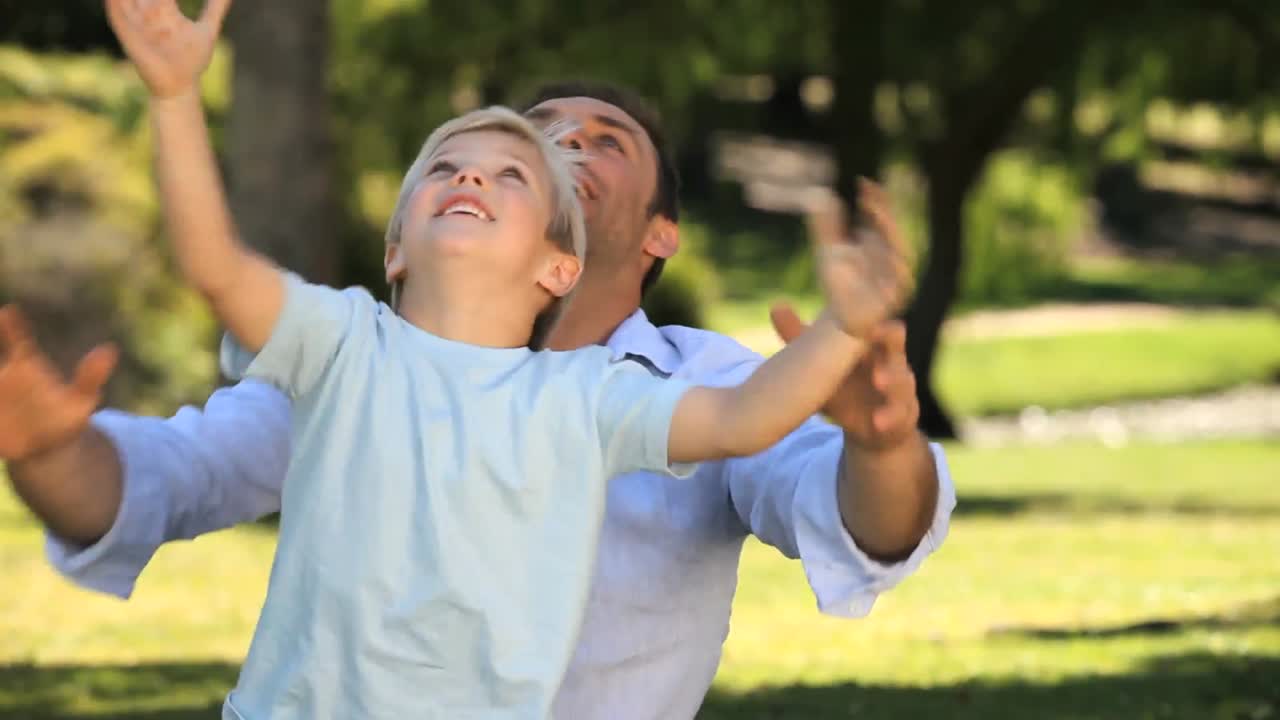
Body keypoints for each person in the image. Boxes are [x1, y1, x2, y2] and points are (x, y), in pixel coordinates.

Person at [1, 4, 957, 720]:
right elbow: (167, 465)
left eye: (601, 142)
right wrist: (47, 453)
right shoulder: (349, 363)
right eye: (530, 139)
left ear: (637, 240)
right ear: (399, 243)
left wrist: (860, 378)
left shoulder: (643, 390)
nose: (552, 149)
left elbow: (774, 440)